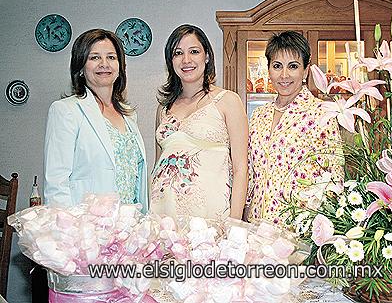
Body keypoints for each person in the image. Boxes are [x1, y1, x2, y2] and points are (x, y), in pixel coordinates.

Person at [44, 29, 148, 212]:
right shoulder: (66, 111)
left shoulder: (129, 115)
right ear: (81, 67)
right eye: (94, 58)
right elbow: (56, 183)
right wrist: (67, 234)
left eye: (111, 57)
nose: (104, 64)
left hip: (130, 227)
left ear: (120, 67)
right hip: (87, 229)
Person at [151, 24, 248, 220]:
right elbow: (157, 165)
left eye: (194, 51)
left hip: (210, 216)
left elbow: (241, 169)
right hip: (164, 217)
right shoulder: (163, 108)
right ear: (171, 61)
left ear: (207, 56)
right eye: (178, 53)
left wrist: (234, 224)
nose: (186, 60)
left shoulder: (228, 101)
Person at [245, 31, 343, 224]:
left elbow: (334, 179)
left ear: (306, 71)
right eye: (277, 66)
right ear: (269, 70)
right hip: (257, 228)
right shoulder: (259, 115)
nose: (284, 75)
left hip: (297, 230)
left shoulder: (321, 114)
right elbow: (250, 173)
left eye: (293, 66)